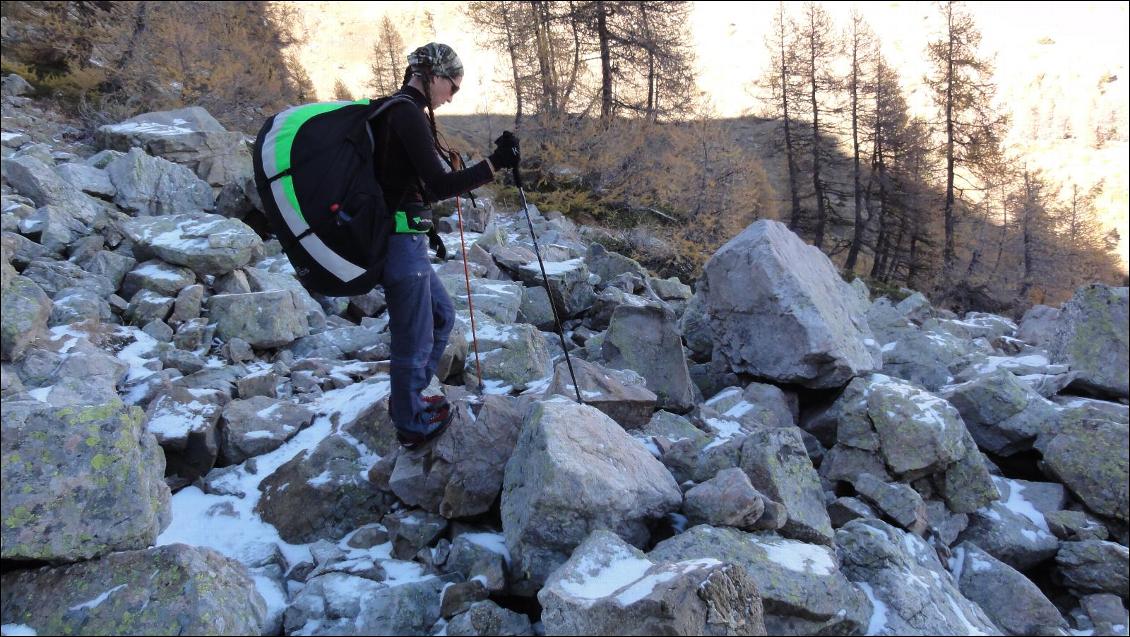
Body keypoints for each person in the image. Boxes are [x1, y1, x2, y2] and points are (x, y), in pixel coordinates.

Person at [371, 42, 520, 449]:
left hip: (407, 236)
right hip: (399, 242)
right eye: (452, 85)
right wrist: (494, 164)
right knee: (415, 335)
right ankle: (410, 422)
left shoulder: (404, 112)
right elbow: (439, 185)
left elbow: (405, 183)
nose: (452, 95)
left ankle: (412, 399)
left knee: (441, 316)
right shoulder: (406, 113)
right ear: (432, 76)